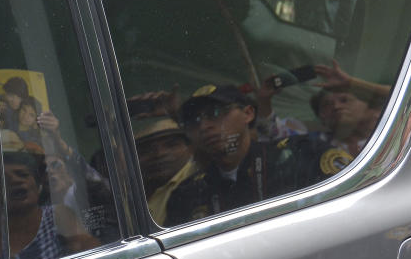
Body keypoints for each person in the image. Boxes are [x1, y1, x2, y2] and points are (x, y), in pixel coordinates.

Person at [165, 84, 350, 225]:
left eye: (216, 113)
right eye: (194, 121)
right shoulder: (187, 194)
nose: (204, 126)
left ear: (248, 113)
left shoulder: (302, 154)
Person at [3, 150, 97, 259]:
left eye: (22, 174)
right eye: (4, 179)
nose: (15, 180)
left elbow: (88, 252)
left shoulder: (58, 213)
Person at [133, 116, 196, 226]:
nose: (159, 154)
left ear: (190, 148)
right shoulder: (131, 192)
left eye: (171, 145)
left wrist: (175, 113)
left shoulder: (197, 175)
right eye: (147, 150)